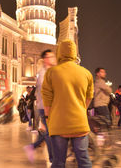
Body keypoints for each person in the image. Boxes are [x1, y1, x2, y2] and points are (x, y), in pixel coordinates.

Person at [42, 40, 94, 168]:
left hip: (59, 123)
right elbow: (89, 96)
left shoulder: (52, 72)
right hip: (79, 123)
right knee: (83, 159)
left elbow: (47, 99)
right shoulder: (86, 73)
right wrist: (81, 109)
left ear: (59, 52)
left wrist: (48, 117)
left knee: (59, 161)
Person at [24, 49, 56, 164]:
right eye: (51, 56)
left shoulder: (50, 71)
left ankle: (33, 147)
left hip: (48, 106)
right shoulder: (43, 73)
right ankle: (53, 159)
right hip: (45, 107)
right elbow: (45, 91)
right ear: (45, 59)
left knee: (49, 132)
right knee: (49, 133)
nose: (54, 58)